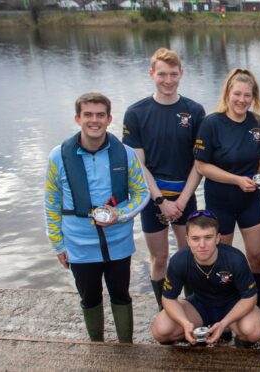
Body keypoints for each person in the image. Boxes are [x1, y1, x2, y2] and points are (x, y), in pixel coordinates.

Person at [44, 92, 150, 343]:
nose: (94, 120)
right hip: (79, 245)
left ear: (109, 118)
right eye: (88, 115)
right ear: (77, 118)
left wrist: (120, 214)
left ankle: (126, 346)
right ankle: (97, 346)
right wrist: (58, 244)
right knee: (89, 298)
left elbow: (141, 193)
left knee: (121, 294)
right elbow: (51, 203)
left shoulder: (125, 154)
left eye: (100, 115)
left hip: (118, 242)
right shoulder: (58, 156)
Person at [123, 48, 206, 311]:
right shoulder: (136, 112)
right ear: (151, 74)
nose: (168, 80)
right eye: (162, 74)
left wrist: (181, 200)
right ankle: (165, 311)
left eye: (173, 74)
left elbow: (199, 163)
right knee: (159, 258)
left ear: (181, 74)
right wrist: (160, 200)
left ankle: (194, 309)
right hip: (152, 198)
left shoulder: (194, 110)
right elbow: (138, 165)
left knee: (189, 255)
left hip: (185, 195)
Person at [194, 68, 260, 309]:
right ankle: (224, 307)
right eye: (237, 94)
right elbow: (201, 166)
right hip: (220, 202)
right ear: (228, 93)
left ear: (253, 97)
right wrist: (237, 179)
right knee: (222, 259)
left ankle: (256, 306)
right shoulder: (211, 123)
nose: (242, 100)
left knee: (257, 257)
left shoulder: (259, 124)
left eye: (247, 95)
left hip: (251, 202)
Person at [151, 210, 260, 347]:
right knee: (161, 329)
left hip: (231, 304)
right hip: (199, 305)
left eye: (208, 237)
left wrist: (224, 323)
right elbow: (168, 298)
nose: (202, 245)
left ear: (218, 238)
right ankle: (190, 341)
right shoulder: (179, 261)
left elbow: (249, 297)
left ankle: (239, 344)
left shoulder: (235, 259)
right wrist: (184, 323)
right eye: (196, 238)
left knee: (253, 330)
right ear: (187, 240)